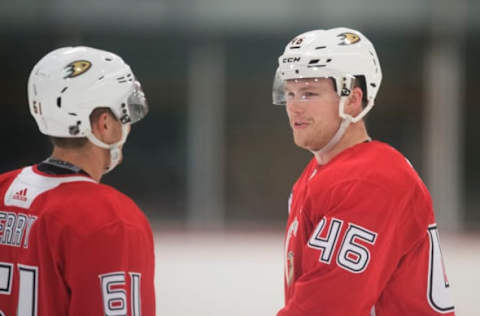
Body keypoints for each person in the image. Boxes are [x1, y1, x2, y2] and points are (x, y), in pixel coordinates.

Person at [272, 27, 455, 315]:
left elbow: (326, 309)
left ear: (353, 100)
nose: (294, 107)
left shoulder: (370, 179)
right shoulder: (317, 174)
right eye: (290, 92)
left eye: (309, 93)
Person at [0, 47, 155, 315]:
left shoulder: (3, 189)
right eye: (124, 115)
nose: (127, 126)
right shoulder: (112, 222)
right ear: (104, 124)